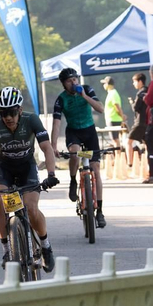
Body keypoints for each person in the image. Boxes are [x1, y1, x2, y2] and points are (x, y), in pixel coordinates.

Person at [0, 86, 57, 272]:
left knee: (31, 208)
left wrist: (51, 174)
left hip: (27, 168)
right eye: (3, 113)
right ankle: (7, 250)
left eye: (12, 112)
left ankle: (45, 246)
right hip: (4, 169)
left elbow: (47, 148)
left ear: (20, 110)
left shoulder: (31, 120)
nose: (8, 117)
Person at [50, 67, 107, 228]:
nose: (73, 82)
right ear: (64, 84)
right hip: (74, 132)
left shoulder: (87, 89)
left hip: (89, 131)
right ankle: (74, 180)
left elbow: (100, 109)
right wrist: (53, 145)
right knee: (75, 154)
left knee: (95, 168)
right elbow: (56, 123)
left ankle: (100, 211)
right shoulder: (61, 100)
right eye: (69, 81)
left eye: (75, 79)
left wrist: (84, 96)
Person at [127, 71, 150, 173]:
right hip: (148, 121)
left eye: (134, 81)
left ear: (140, 81)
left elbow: (136, 107)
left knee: (128, 142)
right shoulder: (149, 90)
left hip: (139, 122)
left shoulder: (140, 93)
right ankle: (148, 164)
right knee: (147, 143)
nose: (133, 84)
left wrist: (132, 102)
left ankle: (130, 165)